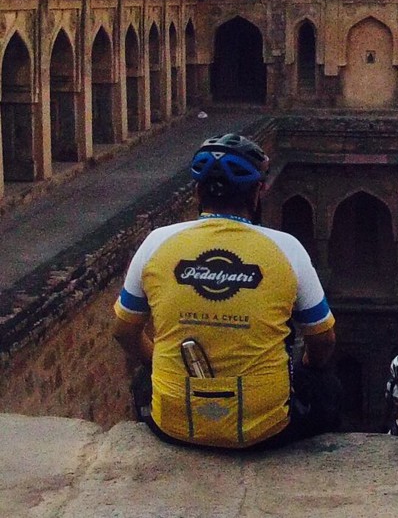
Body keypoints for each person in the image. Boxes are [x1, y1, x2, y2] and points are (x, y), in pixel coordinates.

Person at [113, 133, 340, 450]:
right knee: (324, 382)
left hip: (174, 426)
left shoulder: (156, 242)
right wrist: (306, 367)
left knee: (143, 379)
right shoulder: (287, 249)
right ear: (258, 192)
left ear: (197, 191)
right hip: (264, 431)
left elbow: (124, 331)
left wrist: (156, 363)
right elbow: (323, 338)